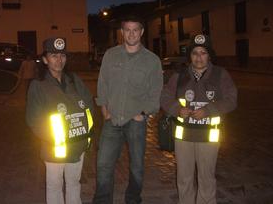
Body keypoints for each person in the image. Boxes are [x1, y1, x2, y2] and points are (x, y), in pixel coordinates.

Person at [93, 16, 163, 204]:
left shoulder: (152, 60)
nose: (131, 33)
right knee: (103, 165)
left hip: (135, 121)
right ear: (122, 32)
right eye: (127, 30)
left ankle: (133, 200)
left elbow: (155, 92)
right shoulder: (111, 55)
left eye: (135, 30)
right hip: (112, 119)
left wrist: (143, 113)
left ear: (141, 32)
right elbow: (103, 83)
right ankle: (101, 201)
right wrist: (104, 109)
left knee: (137, 167)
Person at [161, 34, 237, 204]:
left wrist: (209, 110)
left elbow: (232, 99)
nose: (199, 57)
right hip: (184, 137)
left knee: (206, 178)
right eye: (195, 53)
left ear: (209, 55)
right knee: (184, 178)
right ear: (190, 56)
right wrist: (177, 109)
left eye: (203, 53)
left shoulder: (220, 74)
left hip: (209, 137)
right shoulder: (179, 76)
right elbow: (164, 96)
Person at [26, 37, 94, 204]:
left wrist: (85, 133)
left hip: (78, 144)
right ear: (44, 59)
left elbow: (89, 107)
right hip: (54, 147)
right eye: (53, 55)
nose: (59, 60)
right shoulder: (38, 85)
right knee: (54, 186)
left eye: (62, 55)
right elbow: (33, 119)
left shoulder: (74, 80)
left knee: (73, 183)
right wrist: (56, 137)